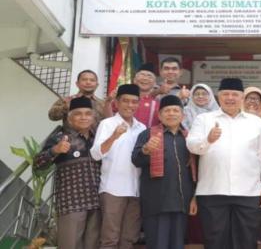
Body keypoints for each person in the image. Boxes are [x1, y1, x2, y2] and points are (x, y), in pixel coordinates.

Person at [186, 78, 261, 249]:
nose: (230, 98)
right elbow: (192, 145)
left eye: (235, 94)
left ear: (242, 97)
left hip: (248, 191)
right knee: (215, 241)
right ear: (218, 96)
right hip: (212, 191)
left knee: (247, 240)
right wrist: (208, 139)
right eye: (226, 94)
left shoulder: (256, 122)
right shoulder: (204, 119)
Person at [35, 96, 101, 249]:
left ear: (93, 117)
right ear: (70, 118)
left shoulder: (98, 138)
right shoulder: (60, 137)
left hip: (96, 204)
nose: (84, 117)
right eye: (78, 114)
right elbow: (37, 165)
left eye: (87, 113)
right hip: (71, 204)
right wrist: (54, 150)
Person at [132, 95, 196, 249]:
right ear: (159, 115)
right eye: (167, 110)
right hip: (156, 201)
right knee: (157, 244)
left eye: (175, 110)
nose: (171, 114)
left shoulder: (190, 138)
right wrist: (146, 150)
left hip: (182, 201)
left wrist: (194, 197)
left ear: (182, 115)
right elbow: (136, 160)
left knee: (177, 244)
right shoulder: (148, 134)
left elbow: (196, 170)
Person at [91, 84, 146, 249]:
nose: (130, 105)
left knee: (129, 239)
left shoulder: (142, 128)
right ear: (117, 102)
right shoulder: (107, 124)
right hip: (113, 190)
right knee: (110, 239)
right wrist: (114, 136)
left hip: (136, 190)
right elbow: (96, 154)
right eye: (126, 101)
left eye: (134, 102)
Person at [242, 86, 261, 243]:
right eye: (249, 98)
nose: (252, 102)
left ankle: (260, 235)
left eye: (256, 99)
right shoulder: (234, 118)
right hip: (242, 171)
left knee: (260, 205)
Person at [104, 63, 160, 127]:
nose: (145, 78)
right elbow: (109, 118)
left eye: (149, 76)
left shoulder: (157, 103)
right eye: (142, 75)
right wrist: (108, 101)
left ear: (154, 83)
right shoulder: (122, 98)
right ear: (134, 80)